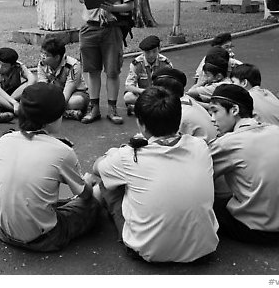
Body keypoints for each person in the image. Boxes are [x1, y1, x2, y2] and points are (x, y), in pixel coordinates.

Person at [90, 86, 219, 262]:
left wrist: (113, 153)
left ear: (141, 124)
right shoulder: (200, 146)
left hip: (149, 251)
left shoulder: (128, 156)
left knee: (107, 183)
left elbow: (97, 168)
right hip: (203, 248)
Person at [0, 83, 100, 251]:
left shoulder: (5, 140)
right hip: (44, 237)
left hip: (4, 231)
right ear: (52, 120)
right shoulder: (62, 151)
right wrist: (87, 182)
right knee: (93, 201)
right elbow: (85, 195)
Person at [208, 84, 279, 244]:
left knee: (207, 201)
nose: (212, 119)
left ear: (234, 110)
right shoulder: (275, 131)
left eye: (215, 111)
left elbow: (201, 173)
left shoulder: (228, 143)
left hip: (259, 231)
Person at [75, 0, 135, 125]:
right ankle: (94, 108)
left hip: (112, 28)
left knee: (112, 71)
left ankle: (112, 108)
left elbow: (130, 5)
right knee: (92, 70)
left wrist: (112, 8)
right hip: (90, 27)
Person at [230, 63, 279, 151]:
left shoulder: (247, 99)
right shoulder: (267, 93)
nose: (231, 86)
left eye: (233, 82)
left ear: (244, 83)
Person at [151, 68, 216, 142]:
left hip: (206, 150)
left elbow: (167, 141)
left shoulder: (176, 111)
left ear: (163, 91)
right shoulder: (186, 100)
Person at [37, 37, 89, 121]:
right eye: (42, 53)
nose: (42, 57)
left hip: (73, 94)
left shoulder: (73, 65)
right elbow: (43, 86)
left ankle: (50, 112)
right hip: (54, 94)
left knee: (76, 102)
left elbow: (67, 92)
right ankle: (68, 113)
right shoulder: (42, 64)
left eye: (46, 55)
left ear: (57, 57)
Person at [124, 35, 173, 116]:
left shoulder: (166, 64)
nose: (151, 55)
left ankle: (138, 108)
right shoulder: (137, 64)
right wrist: (143, 91)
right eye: (147, 52)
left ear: (159, 49)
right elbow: (128, 86)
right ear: (142, 52)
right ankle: (156, 110)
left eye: (154, 51)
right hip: (143, 94)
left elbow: (170, 85)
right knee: (128, 97)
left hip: (160, 94)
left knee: (173, 98)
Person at [0, 47, 36, 116]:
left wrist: (27, 91)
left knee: (31, 83)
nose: (0, 67)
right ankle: (19, 109)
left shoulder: (18, 65)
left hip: (15, 93)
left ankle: (8, 107)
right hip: (1, 96)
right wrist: (14, 103)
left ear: (12, 65)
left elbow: (31, 77)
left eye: (4, 66)